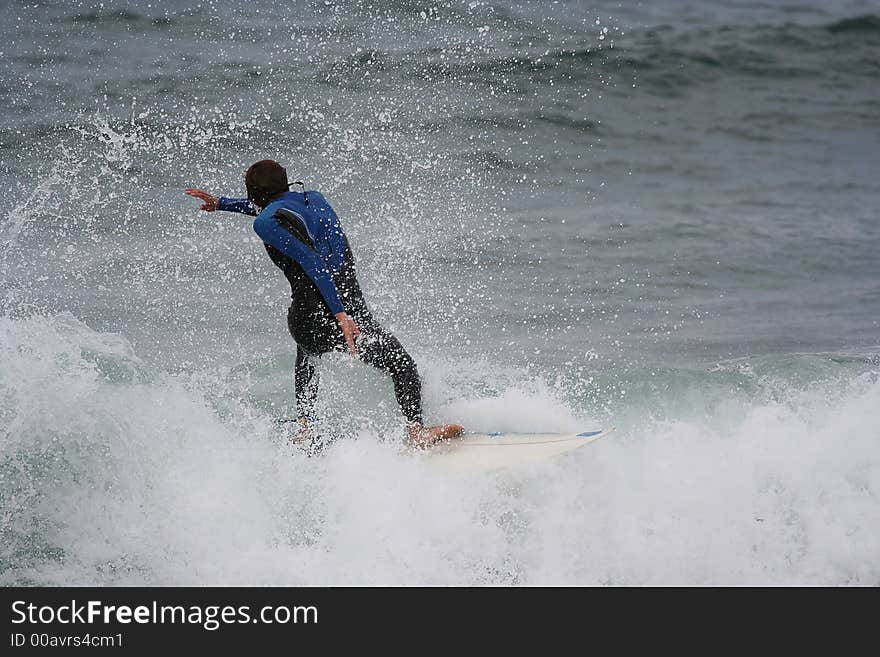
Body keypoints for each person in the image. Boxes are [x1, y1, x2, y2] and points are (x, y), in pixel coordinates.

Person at [185, 160, 463, 448]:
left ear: (254, 195)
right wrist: (223, 204)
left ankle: (306, 428)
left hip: (320, 315)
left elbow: (308, 258)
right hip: (333, 308)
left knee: (310, 355)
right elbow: (293, 233)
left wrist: (341, 314)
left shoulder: (265, 222)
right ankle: (413, 430)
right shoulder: (313, 198)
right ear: (285, 183)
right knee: (398, 362)